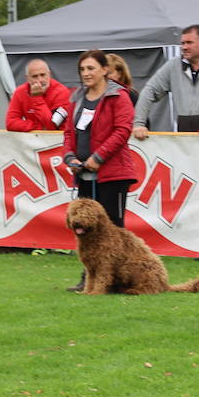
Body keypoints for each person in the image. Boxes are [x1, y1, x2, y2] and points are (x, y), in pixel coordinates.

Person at [132, 24, 199, 259]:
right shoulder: (174, 67)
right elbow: (150, 90)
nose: (183, 47)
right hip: (189, 144)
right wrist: (139, 122)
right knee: (190, 192)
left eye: (188, 43)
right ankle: (192, 239)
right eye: (182, 43)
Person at [63, 50, 137, 290]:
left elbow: (123, 130)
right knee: (85, 230)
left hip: (112, 174)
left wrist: (98, 157)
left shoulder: (118, 96)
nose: (86, 73)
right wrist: (70, 157)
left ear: (105, 70)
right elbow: (68, 133)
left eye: (91, 68)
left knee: (113, 231)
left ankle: (117, 278)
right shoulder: (77, 98)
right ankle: (89, 279)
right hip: (83, 173)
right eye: (82, 69)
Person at [5, 58, 71, 132]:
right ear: (27, 78)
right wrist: (37, 127)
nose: (40, 80)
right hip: (32, 139)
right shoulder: (20, 92)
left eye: (43, 75)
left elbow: (51, 126)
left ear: (49, 74)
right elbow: (10, 123)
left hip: (57, 140)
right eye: (35, 76)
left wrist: (37, 97)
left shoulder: (61, 92)